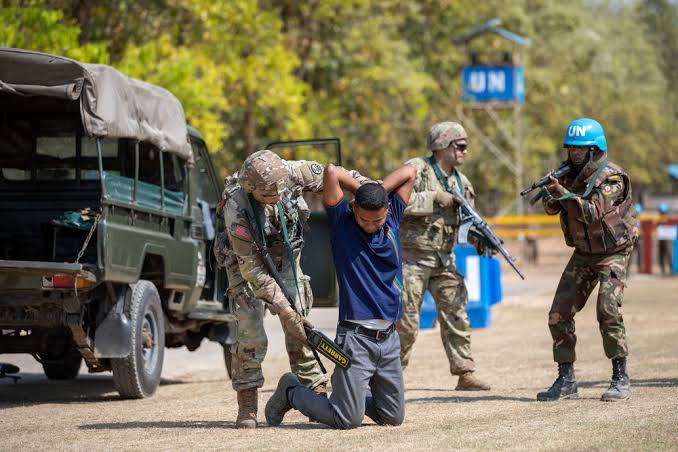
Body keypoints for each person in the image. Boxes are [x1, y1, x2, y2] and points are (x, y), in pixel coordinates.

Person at [215, 150, 368, 428]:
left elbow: (335, 175)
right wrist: (283, 309)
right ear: (251, 190)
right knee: (250, 334)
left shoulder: (292, 172)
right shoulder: (236, 206)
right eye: (266, 196)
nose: (275, 198)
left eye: (278, 193)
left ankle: (315, 394)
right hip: (246, 266)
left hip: (285, 257)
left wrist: (368, 189)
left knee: (302, 328)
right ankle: (247, 404)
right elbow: (251, 269)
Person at [264, 163, 416, 429]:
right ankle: (291, 391)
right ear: (354, 207)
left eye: (377, 219)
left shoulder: (392, 219)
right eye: (364, 219)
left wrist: (377, 191)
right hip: (355, 340)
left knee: (393, 417)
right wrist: (364, 191)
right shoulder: (343, 224)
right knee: (347, 419)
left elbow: (410, 171)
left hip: (389, 340)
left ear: (388, 211)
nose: (370, 225)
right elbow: (332, 171)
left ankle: (350, 397)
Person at [537, 118, 638, 402]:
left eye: (580, 149)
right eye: (571, 149)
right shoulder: (570, 175)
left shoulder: (612, 178)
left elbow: (593, 212)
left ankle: (620, 377)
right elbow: (550, 209)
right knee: (558, 312)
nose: (574, 154)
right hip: (584, 252)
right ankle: (566, 379)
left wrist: (563, 193)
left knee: (607, 309)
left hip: (612, 251)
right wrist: (551, 192)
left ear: (595, 149)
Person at [395, 121, 490, 391]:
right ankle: (391, 376)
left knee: (457, 313)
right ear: (442, 147)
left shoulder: (462, 182)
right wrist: (433, 197)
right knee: (406, 321)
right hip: (411, 260)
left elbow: (467, 223)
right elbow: (392, 201)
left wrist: (481, 239)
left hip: (443, 260)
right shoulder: (417, 169)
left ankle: (465, 373)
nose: (464, 151)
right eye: (459, 146)